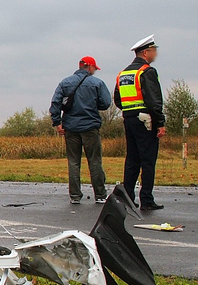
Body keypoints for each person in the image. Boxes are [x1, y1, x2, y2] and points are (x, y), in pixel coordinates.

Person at [49, 56, 112, 204]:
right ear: (90, 67)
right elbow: (105, 103)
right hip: (90, 127)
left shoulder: (65, 83)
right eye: (94, 68)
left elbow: (55, 103)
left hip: (70, 127)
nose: (95, 71)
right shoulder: (97, 83)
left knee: (73, 162)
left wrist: (57, 122)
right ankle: (100, 195)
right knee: (95, 161)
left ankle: (75, 196)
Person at [114, 35, 166, 210]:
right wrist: (160, 122)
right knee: (148, 160)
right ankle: (147, 200)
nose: (155, 54)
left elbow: (118, 100)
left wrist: (130, 111)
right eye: (154, 51)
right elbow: (154, 101)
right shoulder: (147, 72)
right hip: (146, 120)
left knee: (132, 159)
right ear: (145, 52)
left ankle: (128, 197)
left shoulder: (123, 74)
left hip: (129, 119)